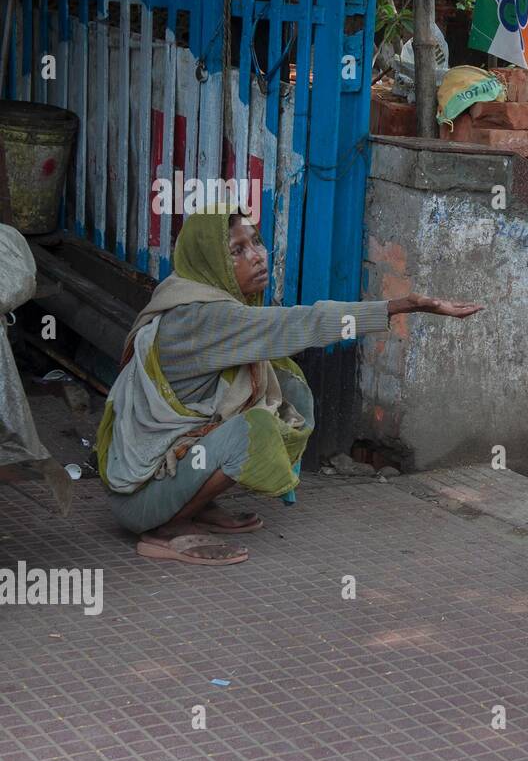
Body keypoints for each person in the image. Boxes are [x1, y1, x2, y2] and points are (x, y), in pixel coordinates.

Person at [95, 205, 483, 566]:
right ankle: (166, 527)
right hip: (140, 498)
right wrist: (400, 306)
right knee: (256, 430)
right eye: (237, 250)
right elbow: (305, 323)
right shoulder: (199, 318)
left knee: (286, 388)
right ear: (210, 259)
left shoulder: (191, 291)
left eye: (256, 242)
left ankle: (194, 504)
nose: (257, 256)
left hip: (168, 465)